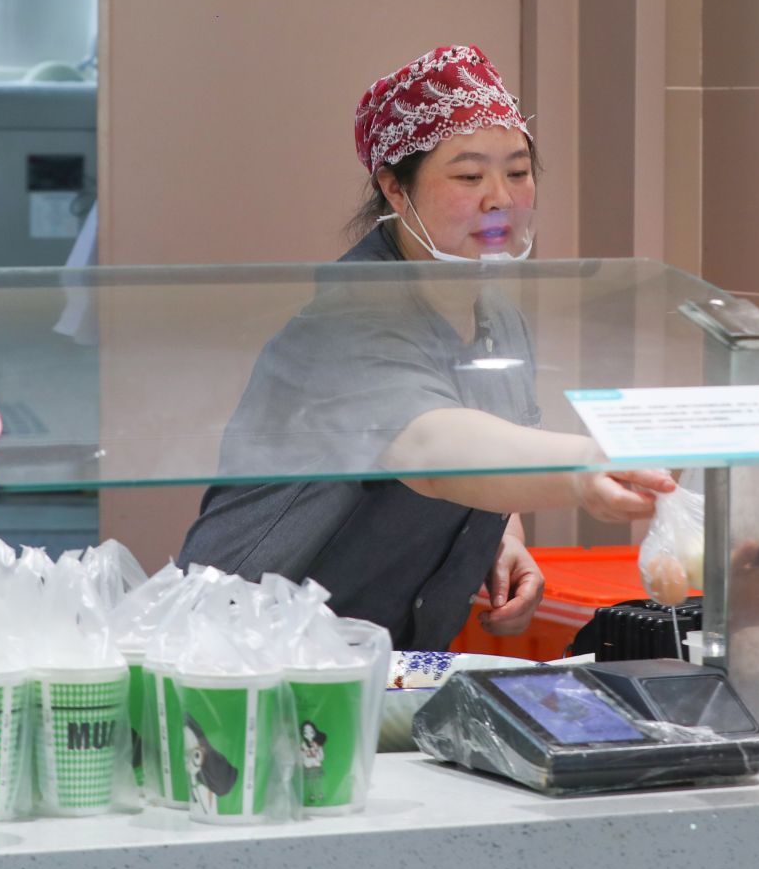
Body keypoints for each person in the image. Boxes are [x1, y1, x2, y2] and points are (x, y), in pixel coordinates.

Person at [178, 46, 673, 649]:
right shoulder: (348, 322)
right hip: (247, 655)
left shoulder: (495, 315)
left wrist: (502, 534)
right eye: (469, 176)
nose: (500, 198)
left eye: (518, 172)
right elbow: (433, 447)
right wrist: (583, 468)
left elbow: (491, 433)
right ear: (395, 188)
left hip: (384, 660)